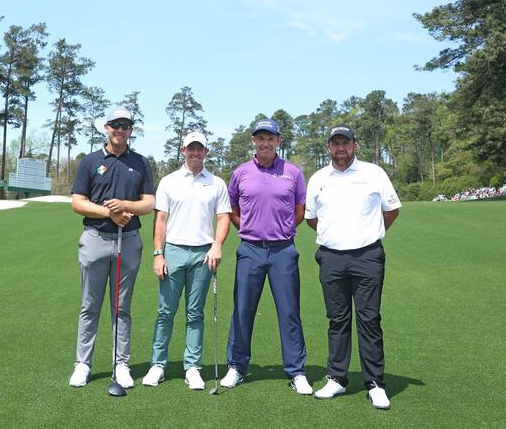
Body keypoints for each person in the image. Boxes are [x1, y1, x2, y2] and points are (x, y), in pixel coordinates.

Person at [305, 126, 401, 410]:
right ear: (328, 147)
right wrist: (336, 237)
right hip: (331, 257)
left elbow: (391, 210)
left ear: (354, 145)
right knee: (337, 319)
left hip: (368, 256)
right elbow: (311, 218)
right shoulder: (318, 178)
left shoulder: (373, 173)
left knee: (369, 319)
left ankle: (374, 383)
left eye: (345, 142)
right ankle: (336, 378)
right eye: (335, 143)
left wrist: (369, 234)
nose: (341, 148)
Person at [220, 118, 312, 395]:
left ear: (278, 141)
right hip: (250, 249)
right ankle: (236, 366)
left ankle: (296, 371)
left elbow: (300, 209)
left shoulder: (293, 172)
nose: (265, 142)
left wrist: (282, 231)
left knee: (289, 312)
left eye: (270, 138)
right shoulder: (241, 173)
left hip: (284, 250)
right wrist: (250, 230)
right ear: (253, 141)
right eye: (260, 137)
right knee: (242, 310)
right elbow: (233, 208)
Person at [69, 107, 155, 389]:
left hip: (128, 242)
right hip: (96, 238)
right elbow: (77, 202)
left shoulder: (141, 162)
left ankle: (121, 364)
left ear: (131, 130)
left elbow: (148, 203)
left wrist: (124, 206)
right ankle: (83, 363)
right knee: (89, 305)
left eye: (126, 126)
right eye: (116, 125)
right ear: (106, 127)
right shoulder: (90, 161)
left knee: (122, 307)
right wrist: (109, 213)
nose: (120, 130)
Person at [141, 132, 231, 390]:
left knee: (195, 313)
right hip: (174, 251)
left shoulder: (216, 183)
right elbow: (160, 219)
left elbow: (224, 218)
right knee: (165, 312)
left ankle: (192, 367)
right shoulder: (169, 182)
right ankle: (158, 365)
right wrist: (158, 253)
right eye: (191, 148)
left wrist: (217, 245)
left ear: (206, 152)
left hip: (203, 253)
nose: (195, 153)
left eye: (199, 149)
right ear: (183, 150)